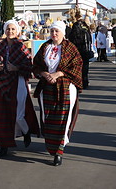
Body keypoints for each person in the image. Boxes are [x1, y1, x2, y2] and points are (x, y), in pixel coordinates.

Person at [32, 21, 82, 166]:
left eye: (57, 31)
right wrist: (44, 73)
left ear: (63, 32)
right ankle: (51, 146)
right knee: (47, 118)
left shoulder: (70, 48)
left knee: (62, 119)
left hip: (65, 88)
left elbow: (77, 66)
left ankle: (59, 151)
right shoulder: (45, 47)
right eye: (52, 31)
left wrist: (59, 74)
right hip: (47, 87)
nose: (54, 34)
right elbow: (36, 65)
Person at [0, 20, 39, 158]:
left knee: (18, 114)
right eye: (8, 29)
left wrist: (16, 68)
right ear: (5, 31)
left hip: (17, 82)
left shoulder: (21, 46)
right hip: (1, 82)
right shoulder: (0, 46)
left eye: (13, 29)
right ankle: (3, 146)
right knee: (0, 115)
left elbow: (29, 65)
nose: (10, 32)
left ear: (17, 31)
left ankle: (26, 131)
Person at [68, 15, 92, 89]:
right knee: (85, 68)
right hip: (84, 52)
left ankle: (77, 82)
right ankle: (85, 82)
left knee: (76, 68)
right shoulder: (85, 32)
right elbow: (89, 42)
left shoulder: (72, 34)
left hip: (75, 53)